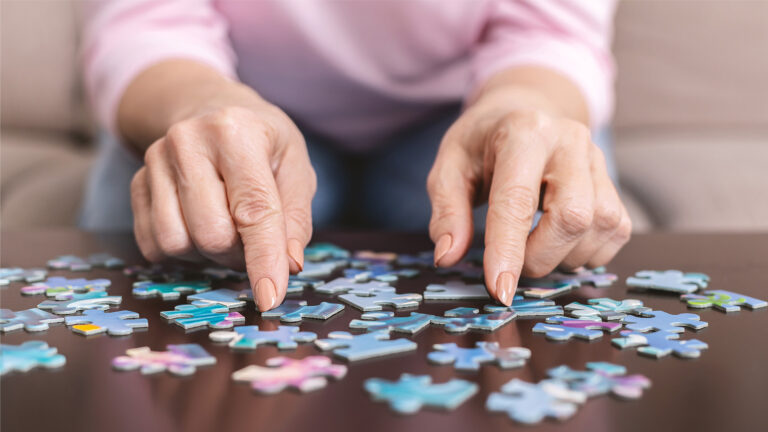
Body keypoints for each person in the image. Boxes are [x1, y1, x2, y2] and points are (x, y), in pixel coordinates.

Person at [80, 0, 631, 311]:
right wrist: (200, 104)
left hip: (468, 112)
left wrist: (523, 106)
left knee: (544, 238)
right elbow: (145, 21)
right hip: (221, 96)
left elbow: (549, 30)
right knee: (157, 251)